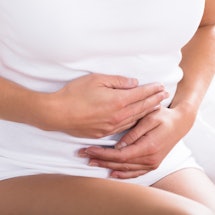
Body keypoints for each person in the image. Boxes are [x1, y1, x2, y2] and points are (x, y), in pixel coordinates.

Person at [0, 0, 215, 214]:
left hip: (156, 163)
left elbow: (206, 26)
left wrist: (184, 112)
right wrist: (48, 110)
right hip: (23, 162)